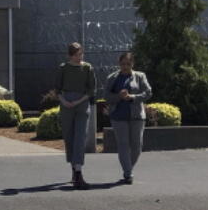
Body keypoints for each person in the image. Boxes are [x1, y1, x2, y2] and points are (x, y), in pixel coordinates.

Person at [105, 51, 152, 184]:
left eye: (128, 64)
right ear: (119, 64)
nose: (125, 66)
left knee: (137, 145)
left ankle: (128, 168)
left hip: (137, 116)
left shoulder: (140, 76)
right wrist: (118, 96)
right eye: (123, 64)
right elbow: (106, 96)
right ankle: (128, 173)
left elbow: (148, 93)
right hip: (118, 117)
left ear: (132, 64)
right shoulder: (112, 78)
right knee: (123, 145)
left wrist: (132, 97)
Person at [56, 42, 96, 189]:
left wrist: (79, 101)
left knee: (80, 137)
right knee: (69, 137)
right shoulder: (63, 68)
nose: (80, 57)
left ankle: (79, 172)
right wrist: (64, 101)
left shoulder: (87, 68)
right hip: (66, 103)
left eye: (81, 54)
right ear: (70, 56)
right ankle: (74, 169)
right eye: (76, 55)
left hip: (82, 104)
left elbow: (91, 89)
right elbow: (57, 89)